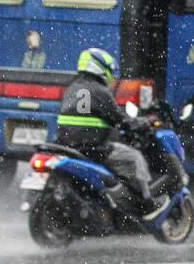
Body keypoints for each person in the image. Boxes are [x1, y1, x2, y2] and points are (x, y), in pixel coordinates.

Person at [56, 47, 167, 218]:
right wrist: (146, 122)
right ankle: (147, 204)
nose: (111, 74)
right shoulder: (100, 91)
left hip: (67, 146)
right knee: (135, 157)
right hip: (94, 149)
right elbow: (122, 120)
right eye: (110, 69)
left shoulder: (71, 88)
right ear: (99, 67)